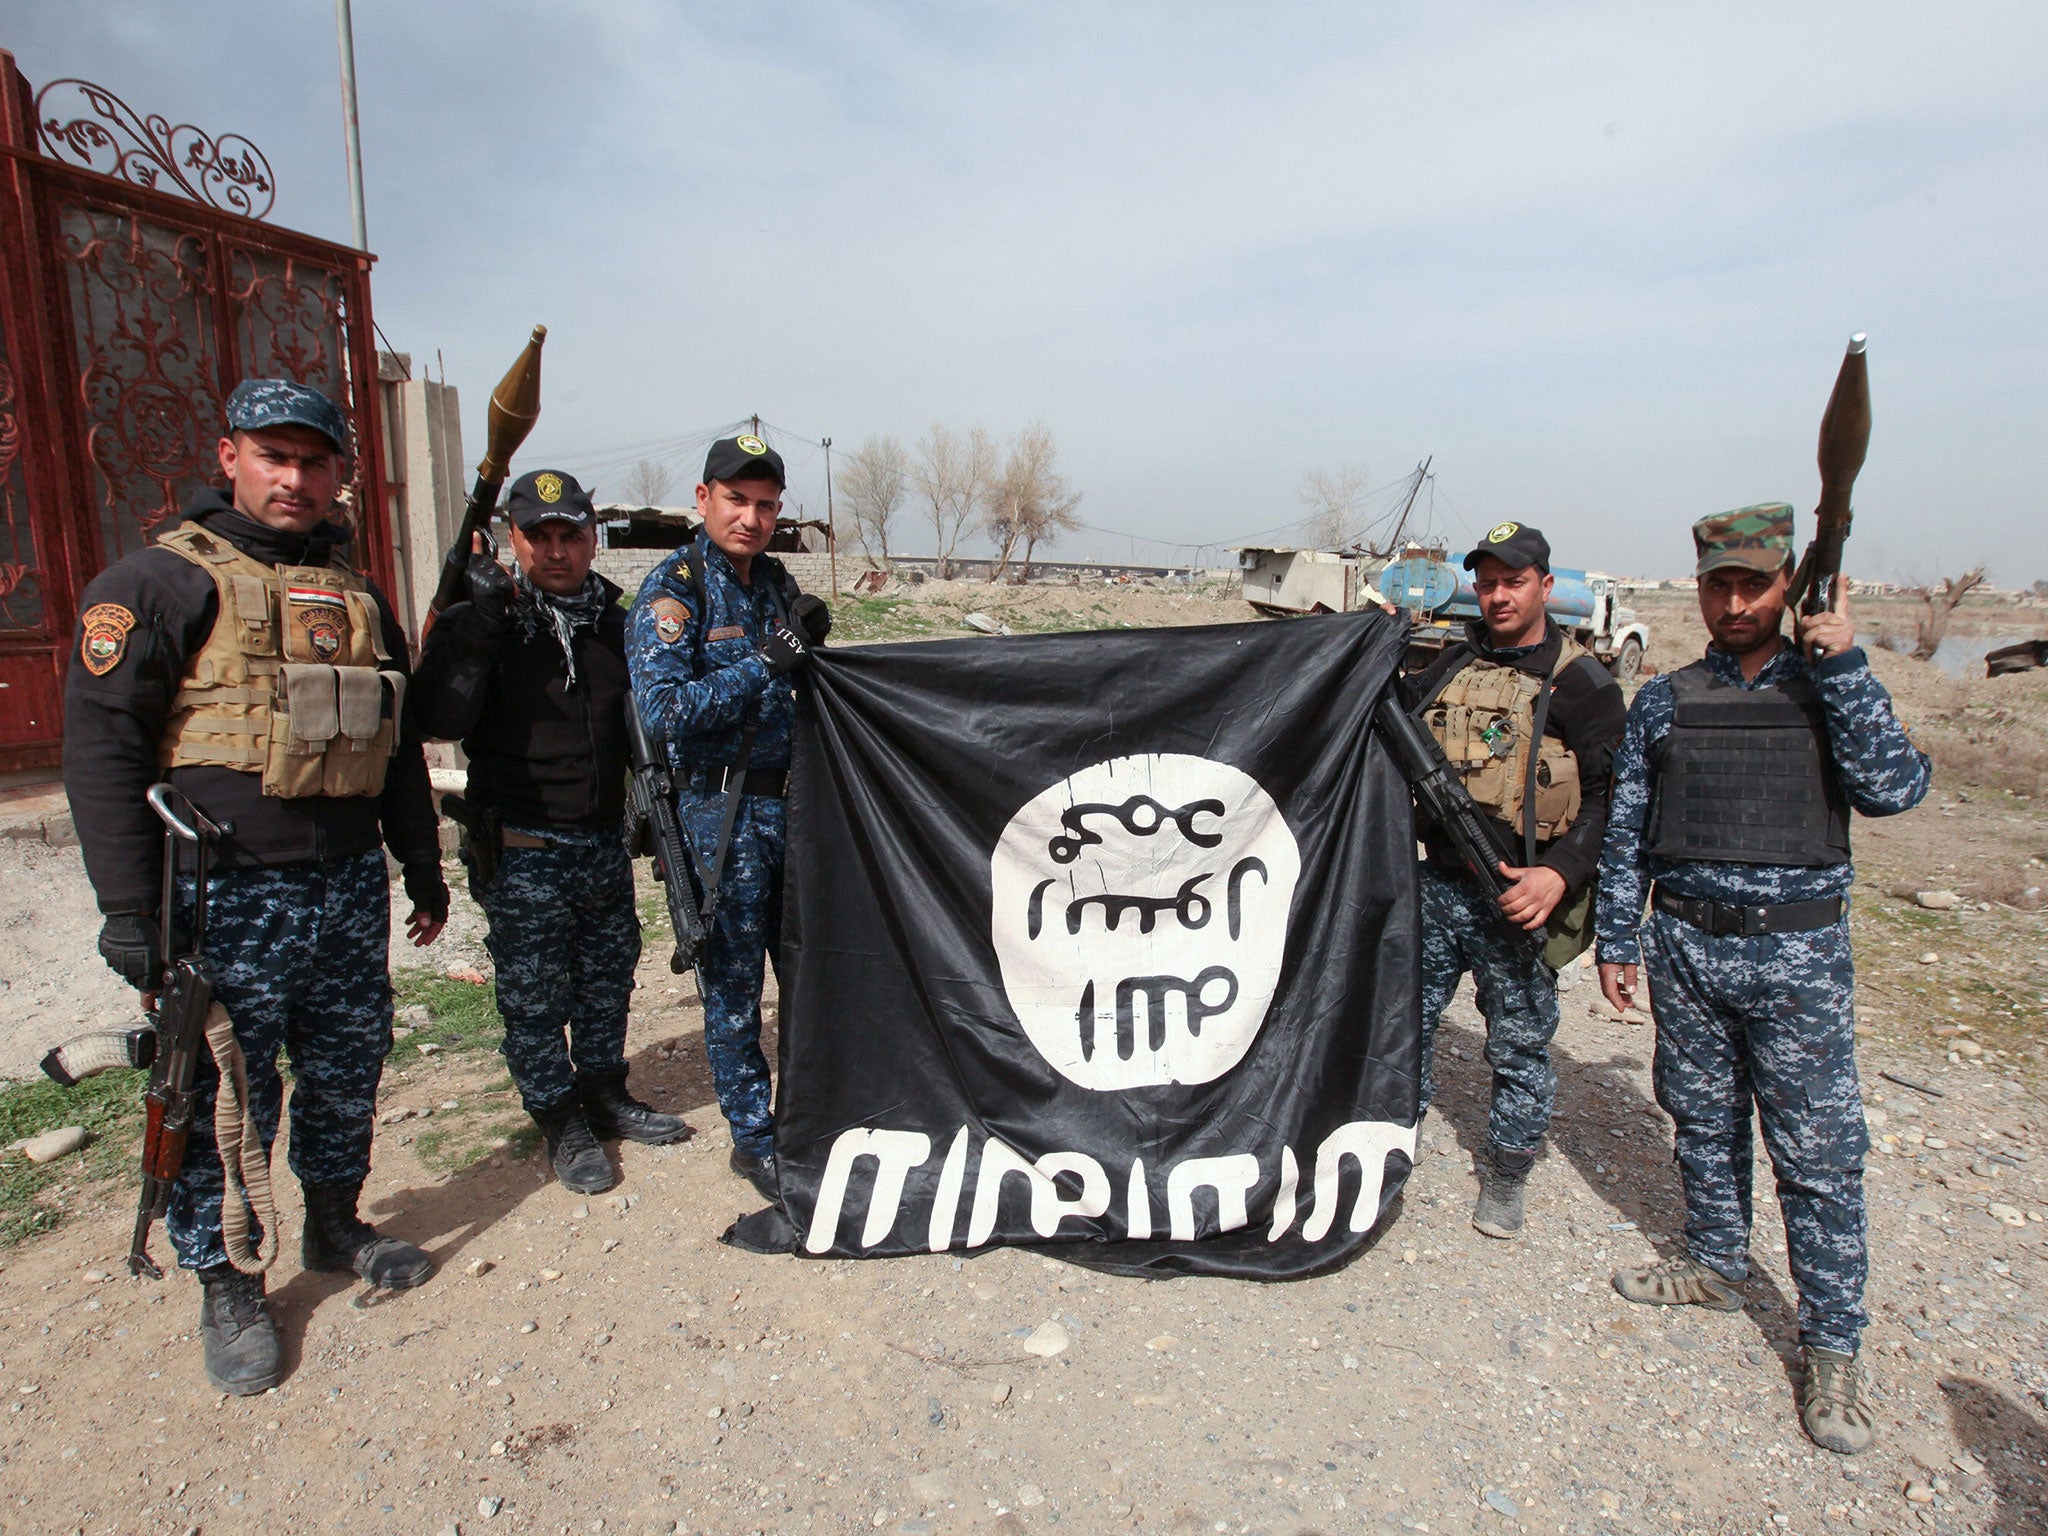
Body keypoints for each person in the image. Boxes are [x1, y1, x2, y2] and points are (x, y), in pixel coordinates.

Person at [62, 379, 449, 1396]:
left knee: (345, 1067)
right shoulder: (158, 584)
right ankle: (227, 1276)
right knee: (225, 1100)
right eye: (275, 456)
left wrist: (421, 863)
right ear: (229, 454)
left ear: (338, 474)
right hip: (225, 893)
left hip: (343, 886)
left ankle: (333, 1219)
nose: (295, 478)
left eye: (315, 462)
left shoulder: (356, 596)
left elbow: (395, 745)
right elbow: (101, 751)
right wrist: (128, 913)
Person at [1596, 503, 1930, 1456]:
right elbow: (1630, 827)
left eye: (1754, 585)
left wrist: (1847, 665)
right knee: (1700, 1118)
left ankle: (1830, 1350)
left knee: (1818, 1156)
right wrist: (1621, 938)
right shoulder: (1667, 696)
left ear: (1790, 586)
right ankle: (1713, 1260)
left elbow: (1894, 789)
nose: (1735, 602)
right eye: (1719, 585)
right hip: (1688, 950)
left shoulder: (1829, 681)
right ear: (1699, 587)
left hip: (1797, 962)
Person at [411, 469, 689, 1193]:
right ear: (514, 539)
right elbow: (438, 718)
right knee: (535, 999)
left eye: (572, 535)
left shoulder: (614, 623)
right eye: (541, 537)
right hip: (523, 846)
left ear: (593, 538)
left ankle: (602, 1092)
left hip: (601, 842)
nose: (557, 552)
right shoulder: (489, 621)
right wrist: (480, 620)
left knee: (606, 981)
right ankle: (558, 1117)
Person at [1399, 522, 1628, 1238]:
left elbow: (1612, 801)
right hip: (1437, 885)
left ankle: (1506, 1171)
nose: (1499, 595)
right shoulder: (1446, 665)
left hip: (1519, 900)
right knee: (1404, 1024)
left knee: (1520, 1043)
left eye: (1515, 581)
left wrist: (1559, 876)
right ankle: (1389, 1145)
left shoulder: (1583, 684)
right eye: (1488, 581)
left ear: (1545, 588)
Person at [627, 435, 829, 1202]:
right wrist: (769, 661)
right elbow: (667, 710)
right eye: (736, 500)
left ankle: (806, 1119)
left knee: (805, 971)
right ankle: (753, 1139)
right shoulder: (674, 592)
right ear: (704, 498)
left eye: (766, 505)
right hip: (720, 816)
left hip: (793, 806)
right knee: (736, 986)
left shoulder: (772, 582)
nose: (751, 517)